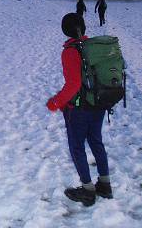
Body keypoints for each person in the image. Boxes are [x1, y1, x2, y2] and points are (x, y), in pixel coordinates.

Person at [46, 13, 112, 206]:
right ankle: (105, 185)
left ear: (65, 30)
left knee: (77, 147)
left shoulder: (70, 51)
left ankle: (88, 190)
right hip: (98, 104)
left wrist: (55, 103)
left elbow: (74, 84)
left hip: (79, 109)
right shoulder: (93, 47)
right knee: (96, 141)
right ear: (83, 27)